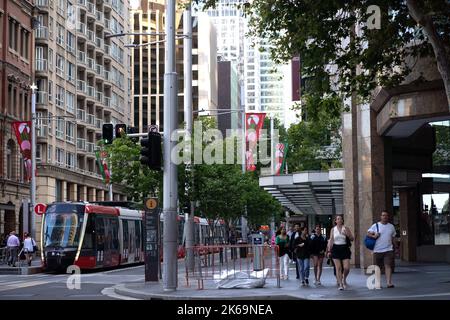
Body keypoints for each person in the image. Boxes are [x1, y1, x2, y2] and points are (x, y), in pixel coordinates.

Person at [367, 210, 396, 288]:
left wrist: (395, 247)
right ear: (380, 217)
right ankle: (378, 283)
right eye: (383, 215)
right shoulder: (376, 225)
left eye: (386, 215)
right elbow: (368, 233)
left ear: (388, 217)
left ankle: (389, 282)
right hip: (377, 250)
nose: (384, 217)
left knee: (388, 265)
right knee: (378, 267)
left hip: (388, 249)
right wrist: (374, 236)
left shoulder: (391, 226)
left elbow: (393, 237)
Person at [327, 215, 354, 290]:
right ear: (335, 221)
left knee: (346, 268)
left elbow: (352, 238)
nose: (339, 220)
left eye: (340, 219)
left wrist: (347, 234)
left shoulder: (346, 228)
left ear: (342, 220)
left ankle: (344, 278)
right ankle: (340, 285)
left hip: (345, 248)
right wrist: (329, 250)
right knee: (338, 268)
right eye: (337, 219)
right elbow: (331, 240)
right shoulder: (333, 229)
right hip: (335, 249)